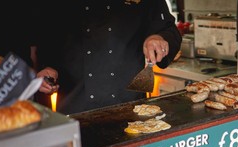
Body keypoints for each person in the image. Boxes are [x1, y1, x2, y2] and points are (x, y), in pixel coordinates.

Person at [35, 0, 182, 115]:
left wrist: (159, 37)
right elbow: (46, 40)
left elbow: (168, 29)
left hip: (131, 108)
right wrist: (47, 68)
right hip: (75, 109)